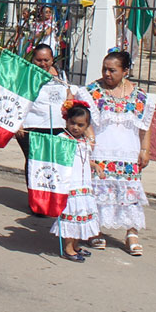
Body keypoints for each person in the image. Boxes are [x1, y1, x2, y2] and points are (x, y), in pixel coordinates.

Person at [87, 50, 153, 257]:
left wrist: (145, 150)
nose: (107, 74)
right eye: (104, 69)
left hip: (128, 153)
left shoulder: (140, 95)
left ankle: (131, 233)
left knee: (129, 193)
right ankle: (94, 230)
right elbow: (84, 120)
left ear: (125, 71)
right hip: (100, 151)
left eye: (112, 70)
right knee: (98, 192)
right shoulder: (92, 92)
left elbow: (145, 126)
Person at [15, 43, 93, 213]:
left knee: (55, 164)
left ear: (52, 59)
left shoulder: (61, 75)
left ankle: (53, 200)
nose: (43, 63)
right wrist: (18, 123)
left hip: (58, 127)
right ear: (33, 59)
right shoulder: (26, 76)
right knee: (36, 163)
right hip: (32, 127)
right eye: (39, 60)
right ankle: (37, 203)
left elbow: (68, 95)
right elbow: (18, 99)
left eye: (46, 60)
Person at [50, 102, 99, 261]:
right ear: (66, 121)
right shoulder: (62, 139)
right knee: (72, 214)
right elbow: (56, 158)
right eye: (72, 123)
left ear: (87, 126)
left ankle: (76, 245)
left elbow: (83, 159)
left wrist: (94, 166)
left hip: (84, 185)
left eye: (80, 125)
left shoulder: (85, 140)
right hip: (71, 185)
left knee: (81, 215)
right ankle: (68, 248)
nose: (75, 127)